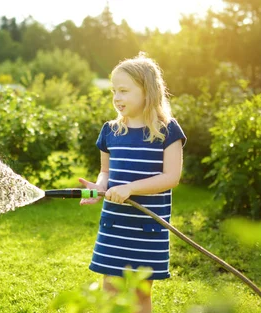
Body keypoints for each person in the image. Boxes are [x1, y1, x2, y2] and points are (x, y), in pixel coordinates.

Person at [79, 52, 186, 313]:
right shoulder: (111, 131)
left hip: (147, 227)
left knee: (140, 294)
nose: (117, 97)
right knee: (111, 291)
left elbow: (171, 177)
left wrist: (130, 188)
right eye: (114, 91)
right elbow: (105, 172)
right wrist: (99, 185)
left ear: (147, 91)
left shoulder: (167, 131)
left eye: (124, 91)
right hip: (115, 224)